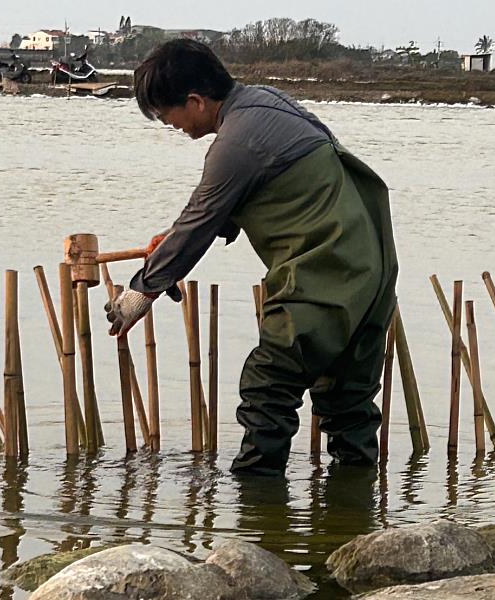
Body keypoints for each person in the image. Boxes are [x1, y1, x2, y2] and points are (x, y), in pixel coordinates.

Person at [105, 39, 398, 476]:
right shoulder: (269, 105)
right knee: (348, 404)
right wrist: (172, 243)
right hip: (370, 277)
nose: (174, 127)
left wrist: (139, 294)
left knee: (267, 389)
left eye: (170, 118)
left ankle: (258, 512)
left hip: (324, 278)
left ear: (196, 102)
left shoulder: (236, 142)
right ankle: (351, 521)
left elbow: (200, 220)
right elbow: (256, 199)